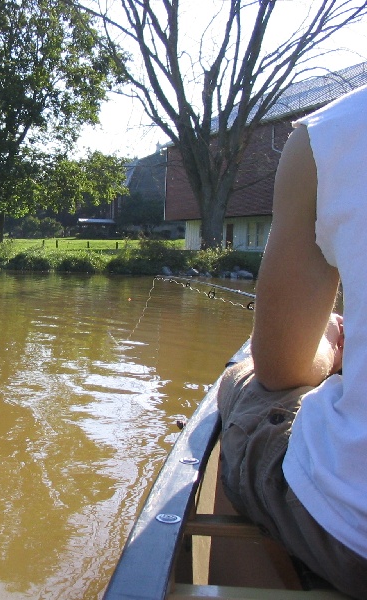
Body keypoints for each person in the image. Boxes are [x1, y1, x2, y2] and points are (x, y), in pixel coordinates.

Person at [216, 82, 367, 599]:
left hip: (355, 535)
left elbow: (281, 368)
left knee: (244, 388)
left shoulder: (327, 137)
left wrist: (329, 345)